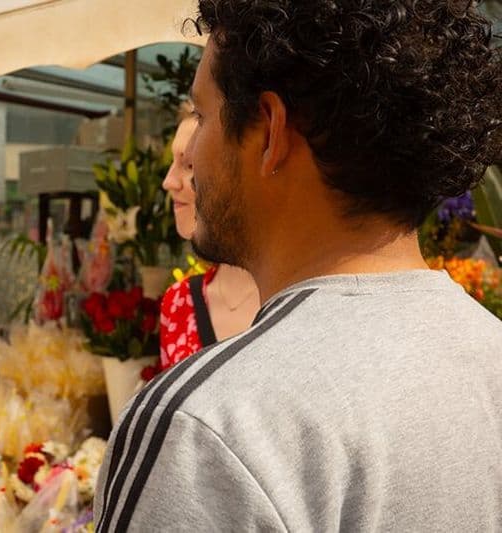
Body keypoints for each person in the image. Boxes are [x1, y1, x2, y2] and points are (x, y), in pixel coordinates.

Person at [95, 1, 502, 530]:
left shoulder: (209, 425)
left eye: (202, 115)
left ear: (269, 131)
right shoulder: (490, 357)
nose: (189, 155)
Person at [159, 101, 259, 370]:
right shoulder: (179, 303)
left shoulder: (292, 298)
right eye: (173, 163)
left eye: (189, 164)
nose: (168, 181)